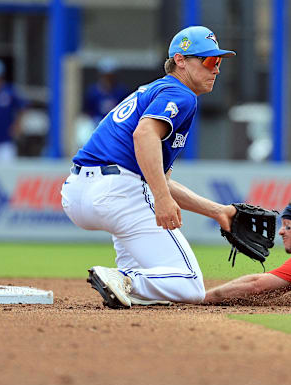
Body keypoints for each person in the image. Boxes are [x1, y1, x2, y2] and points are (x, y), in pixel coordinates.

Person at [61, 26, 237, 307]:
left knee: (155, 281)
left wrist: (218, 212)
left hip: (79, 193)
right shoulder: (181, 93)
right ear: (180, 60)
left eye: (218, 62)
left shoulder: (155, 90)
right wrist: (161, 198)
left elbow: (157, 176)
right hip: (117, 191)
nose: (216, 69)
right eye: (208, 61)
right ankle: (124, 280)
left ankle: (124, 282)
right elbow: (143, 135)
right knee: (189, 285)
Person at [83, 57, 129, 126]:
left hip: (115, 124)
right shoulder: (93, 91)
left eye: (111, 76)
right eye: (105, 76)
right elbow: (87, 111)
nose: (108, 79)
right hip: (96, 123)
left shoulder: (121, 91)